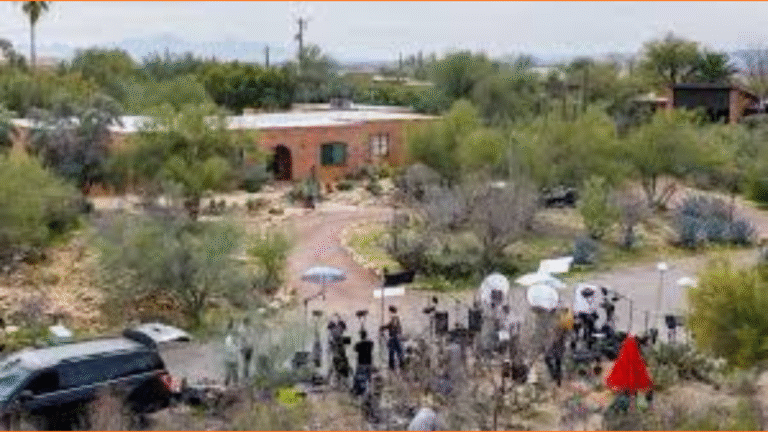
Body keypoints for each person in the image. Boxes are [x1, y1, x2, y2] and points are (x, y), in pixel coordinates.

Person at [381, 306, 405, 372]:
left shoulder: (394, 317)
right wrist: (384, 327)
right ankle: (399, 366)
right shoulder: (396, 318)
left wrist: (383, 327)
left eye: (389, 311)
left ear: (391, 311)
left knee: (393, 352)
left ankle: (393, 367)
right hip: (396, 337)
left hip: (395, 338)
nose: (389, 313)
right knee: (398, 352)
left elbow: (392, 326)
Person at [352, 330, 375, 396]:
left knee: (359, 378)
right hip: (369, 363)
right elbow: (372, 346)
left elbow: (355, 349)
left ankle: (359, 391)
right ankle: (369, 392)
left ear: (361, 336)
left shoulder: (358, 344)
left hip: (361, 363)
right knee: (368, 378)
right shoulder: (370, 343)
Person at [223, 320, 240, 386]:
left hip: (233, 357)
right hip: (230, 357)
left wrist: (238, 348)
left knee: (233, 371)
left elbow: (236, 347)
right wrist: (237, 349)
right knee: (230, 370)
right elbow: (229, 348)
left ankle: (233, 383)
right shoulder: (229, 338)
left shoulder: (232, 338)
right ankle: (228, 383)